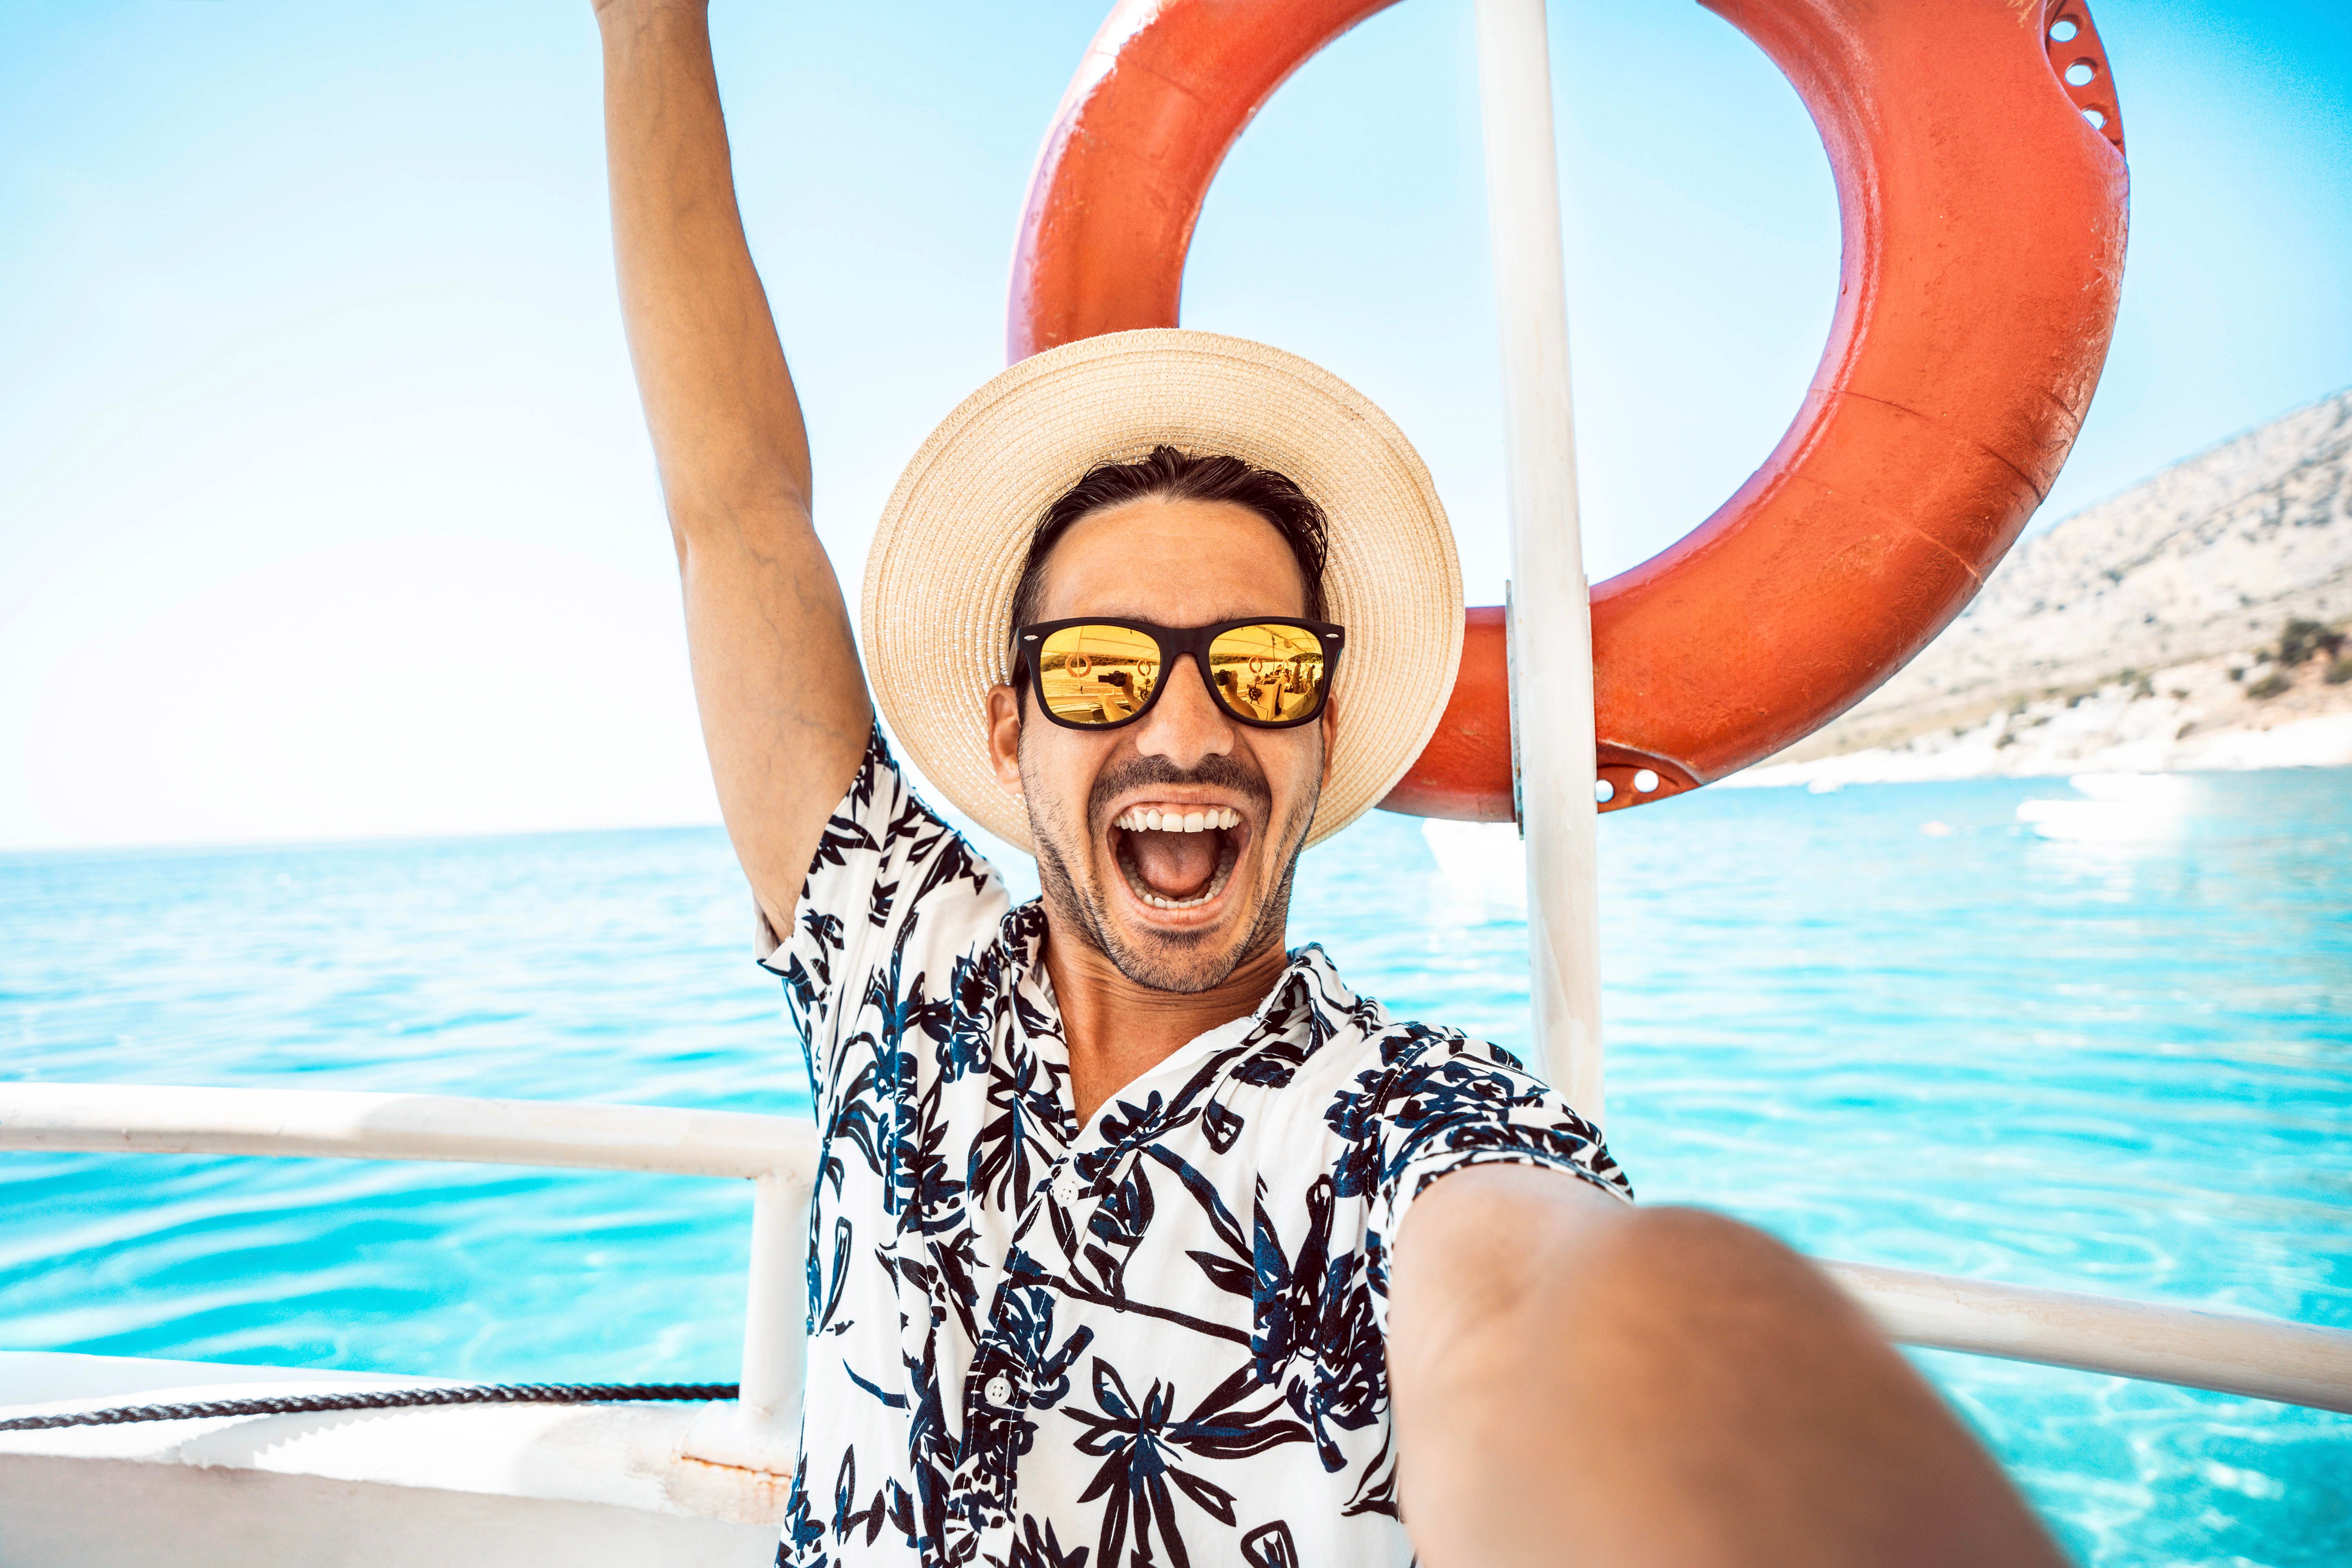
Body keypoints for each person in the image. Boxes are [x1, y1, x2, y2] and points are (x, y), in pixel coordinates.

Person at [593, 5, 2069, 1566]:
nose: (1186, 723)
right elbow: (734, 507)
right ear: (1010, 724)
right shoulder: (891, 956)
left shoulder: (1408, 1122)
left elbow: (1540, 1323)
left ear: (1318, 729)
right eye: (1104, 668)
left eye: (1259, 667)